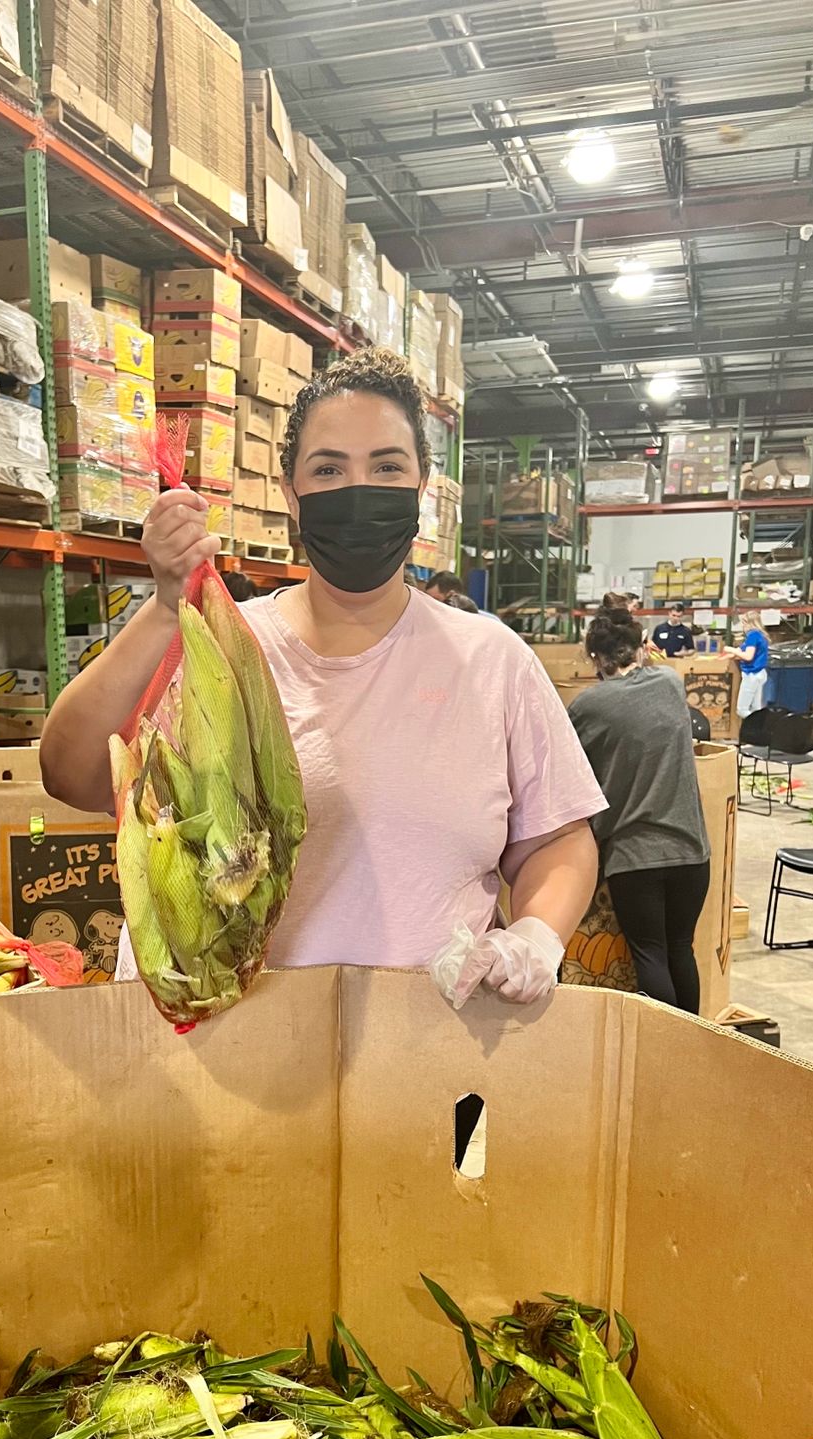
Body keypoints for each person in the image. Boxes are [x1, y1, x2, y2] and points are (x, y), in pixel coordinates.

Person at [40, 347, 605, 1012]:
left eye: (387, 467)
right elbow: (71, 773)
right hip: (225, 1045)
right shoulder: (219, 647)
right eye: (329, 469)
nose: (358, 491)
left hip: (428, 1047)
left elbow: (558, 838)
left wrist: (536, 934)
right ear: (291, 493)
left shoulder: (493, 661)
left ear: (421, 485)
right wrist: (168, 604)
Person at [568, 611, 710, 1014]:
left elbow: (567, 769)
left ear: (595, 657)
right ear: (642, 646)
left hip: (634, 856)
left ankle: (658, 1043)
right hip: (691, 851)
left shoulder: (588, 705)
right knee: (681, 948)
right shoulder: (670, 683)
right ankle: (694, 1042)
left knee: (650, 954)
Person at [727, 610, 770, 717]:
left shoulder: (752, 636)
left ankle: (754, 725)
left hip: (752, 674)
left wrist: (731, 650)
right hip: (760, 673)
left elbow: (748, 656)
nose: (743, 626)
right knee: (756, 709)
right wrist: (734, 654)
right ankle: (759, 725)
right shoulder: (760, 635)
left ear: (749, 623)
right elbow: (745, 652)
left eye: (744, 623)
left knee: (742, 710)